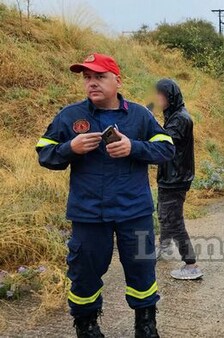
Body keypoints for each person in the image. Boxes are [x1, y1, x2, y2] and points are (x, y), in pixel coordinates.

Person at [36, 53, 174, 338]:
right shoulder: (70, 116)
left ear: (117, 80)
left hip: (133, 212)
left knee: (142, 271)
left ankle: (145, 324)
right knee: (84, 274)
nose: (92, 83)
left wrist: (133, 147)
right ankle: (86, 325)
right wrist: (69, 148)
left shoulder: (139, 115)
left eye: (99, 77)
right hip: (88, 214)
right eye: (87, 77)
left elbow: (167, 148)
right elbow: (44, 153)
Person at [154, 79, 202, 280]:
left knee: (174, 221)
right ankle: (164, 248)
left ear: (170, 96)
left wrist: (146, 121)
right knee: (164, 214)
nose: (157, 99)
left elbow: (163, 141)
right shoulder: (173, 115)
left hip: (176, 178)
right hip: (170, 176)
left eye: (160, 95)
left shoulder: (180, 119)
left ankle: (191, 264)